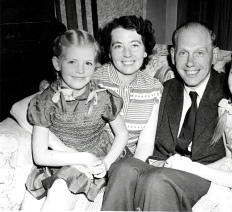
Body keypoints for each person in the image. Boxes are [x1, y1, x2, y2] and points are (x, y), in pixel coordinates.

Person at [101, 22, 232, 211]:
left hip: (205, 174)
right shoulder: (163, 90)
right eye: (183, 53)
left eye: (199, 52)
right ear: (172, 55)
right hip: (162, 165)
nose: (190, 62)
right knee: (123, 168)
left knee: (158, 182)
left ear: (214, 55)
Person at [10, 15, 163, 210]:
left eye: (134, 45)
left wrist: (125, 172)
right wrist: (62, 148)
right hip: (76, 152)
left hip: (117, 159)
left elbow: (145, 144)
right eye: (118, 46)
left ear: (145, 51)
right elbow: (23, 107)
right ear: (108, 50)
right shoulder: (90, 77)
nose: (127, 54)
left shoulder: (153, 87)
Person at [20, 29, 129, 211]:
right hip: (60, 159)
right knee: (29, 201)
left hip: (97, 158)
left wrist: (107, 163)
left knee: (59, 190)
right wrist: (82, 158)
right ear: (57, 63)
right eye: (72, 62)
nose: (80, 70)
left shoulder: (102, 98)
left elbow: (122, 133)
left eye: (87, 63)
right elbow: (40, 156)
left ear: (95, 66)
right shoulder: (46, 101)